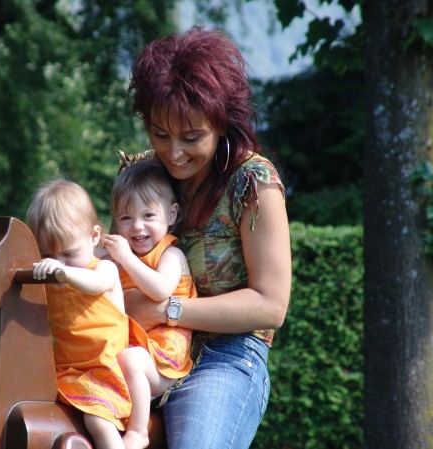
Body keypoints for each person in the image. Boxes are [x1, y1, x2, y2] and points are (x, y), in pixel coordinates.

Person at [122, 26, 292, 449]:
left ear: (222, 122)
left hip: (227, 357)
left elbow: (270, 306)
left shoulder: (253, 183)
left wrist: (167, 310)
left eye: (191, 137)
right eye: (160, 134)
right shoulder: (145, 174)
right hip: (140, 348)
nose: (173, 152)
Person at [26, 179, 153, 449]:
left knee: (97, 422)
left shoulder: (103, 269)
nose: (58, 263)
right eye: (48, 254)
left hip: (106, 372)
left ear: (94, 237)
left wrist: (63, 272)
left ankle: (134, 436)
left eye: (69, 253)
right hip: (69, 372)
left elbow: (95, 284)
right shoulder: (54, 280)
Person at [102, 159, 197, 446]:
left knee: (130, 359)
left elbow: (160, 290)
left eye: (148, 215)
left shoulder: (171, 255)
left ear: (171, 214)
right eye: (126, 218)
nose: (137, 226)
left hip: (163, 357)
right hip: (132, 349)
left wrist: (125, 259)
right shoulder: (121, 256)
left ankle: (138, 432)